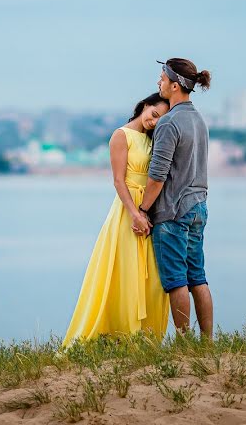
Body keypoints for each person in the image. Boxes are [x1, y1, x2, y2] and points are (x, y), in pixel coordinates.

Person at [62, 93, 171, 345]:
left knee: (152, 278)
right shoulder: (121, 135)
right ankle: (117, 334)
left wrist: (148, 211)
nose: (154, 122)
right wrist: (135, 213)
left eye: (160, 120)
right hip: (128, 212)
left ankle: (147, 337)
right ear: (145, 106)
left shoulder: (152, 138)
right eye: (153, 115)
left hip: (151, 210)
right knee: (124, 274)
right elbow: (118, 180)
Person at [138, 58, 213, 339]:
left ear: (174, 84)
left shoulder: (169, 123)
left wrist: (143, 209)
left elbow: (158, 176)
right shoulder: (199, 120)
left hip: (173, 212)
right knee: (198, 277)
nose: (158, 83)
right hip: (199, 206)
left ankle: (184, 343)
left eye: (161, 78)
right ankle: (207, 343)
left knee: (176, 282)